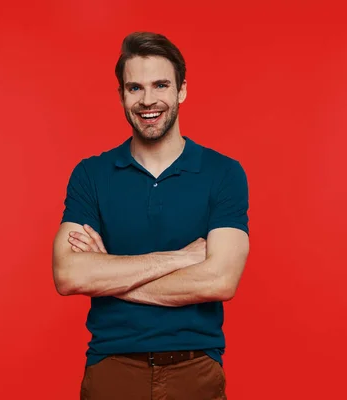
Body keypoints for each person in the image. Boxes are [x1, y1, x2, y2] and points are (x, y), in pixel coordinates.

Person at [52, 31, 250, 400]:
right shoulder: (91, 175)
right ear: (121, 95)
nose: (148, 100)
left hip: (196, 370)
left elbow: (219, 281)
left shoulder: (223, 173)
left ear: (182, 90)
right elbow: (68, 275)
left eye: (160, 85)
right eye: (134, 88)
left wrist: (107, 271)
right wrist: (181, 259)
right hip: (111, 368)